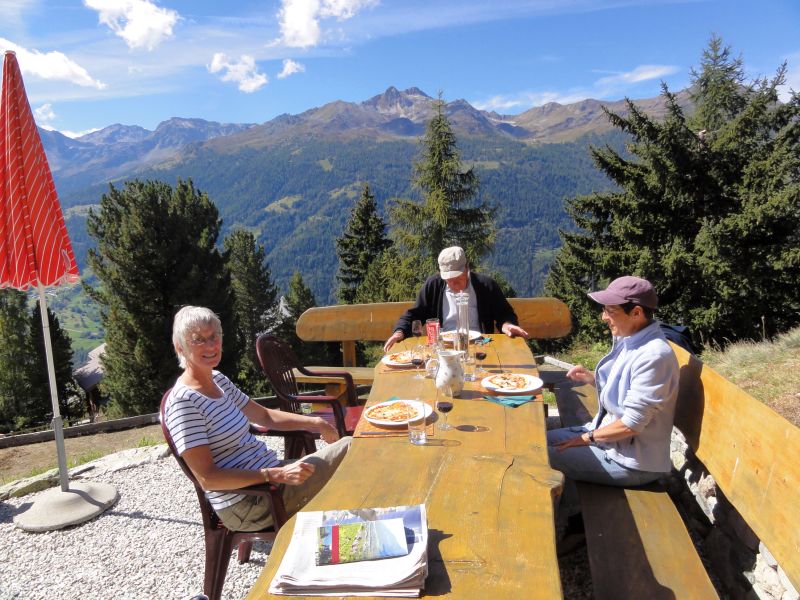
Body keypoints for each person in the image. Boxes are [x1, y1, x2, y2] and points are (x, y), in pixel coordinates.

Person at [164, 306, 351, 532]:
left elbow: (263, 415)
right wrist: (275, 474)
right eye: (198, 340)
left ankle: (346, 532)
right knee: (352, 452)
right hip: (248, 502)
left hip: (271, 476)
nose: (211, 345)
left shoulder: (217, 379)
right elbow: (208, 478)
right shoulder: (184, 403)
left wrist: (315, 422)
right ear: (180, 347)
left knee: (352, 455)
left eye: (214, 336)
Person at [547, 276, 679, 551]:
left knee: (542, 455)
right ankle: (573, 516)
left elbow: (632, 424)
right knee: (538, 440)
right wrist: (593, 379)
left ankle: (563, 528)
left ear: (637, 312)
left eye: (610, 310)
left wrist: (586, 439)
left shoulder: (654, 355)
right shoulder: (632, 339)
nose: (603, 317)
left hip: (632, 461)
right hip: (615, 444)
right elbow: (629, 395)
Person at [383, 246, 528, 351]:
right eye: (448, 279)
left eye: (457, 278)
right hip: (443, 348)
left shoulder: (486, 285)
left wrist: (507, 325)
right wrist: (399, 332)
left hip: (479, 347)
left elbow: (505, 314)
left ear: (467, 268)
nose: (453, 283)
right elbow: (414, 314)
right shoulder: (433, 285)